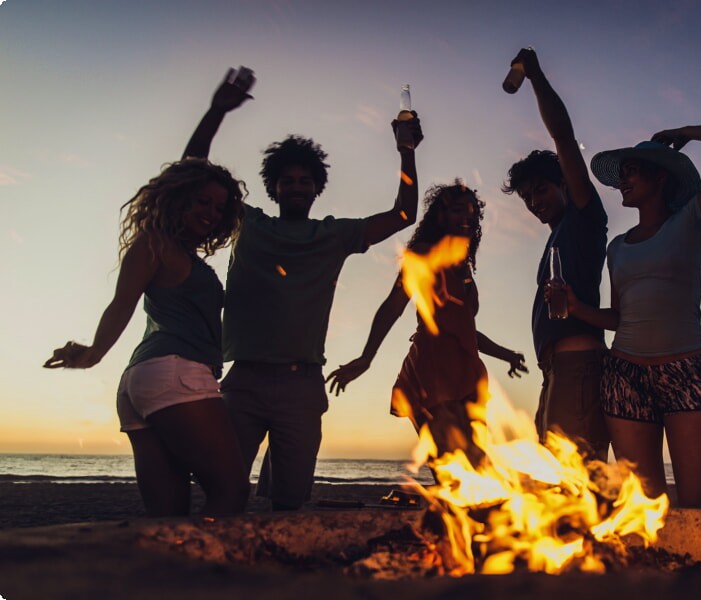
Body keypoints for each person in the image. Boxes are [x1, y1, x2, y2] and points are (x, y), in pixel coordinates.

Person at [182, 73, 423, 510]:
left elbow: (405, 213)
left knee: (290, 503)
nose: (295, 187)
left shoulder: (333, 235)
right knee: (224, 494)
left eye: (304, 181)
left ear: (317, 188)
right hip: (244, 381)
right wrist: (217, 110)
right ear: (273, 187)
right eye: (287, 181)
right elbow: (191, 175)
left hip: (302, 384)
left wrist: (407, 153)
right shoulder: (248, 224)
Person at [44, 159, 249, 516]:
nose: (211, 213)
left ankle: (171, 569)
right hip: (176, 375)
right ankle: (204, 569)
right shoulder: (158, 243)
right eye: (203, 201)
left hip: (141, 384)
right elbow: (122, 303)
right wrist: (94, 353)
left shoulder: (177, 252)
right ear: (179, 197)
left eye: (219, 207)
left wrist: (94, 354)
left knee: (167, 512)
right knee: (230, 491)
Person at [584, 124, 701, 507]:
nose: (623, 180)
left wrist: (686, 132)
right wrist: (576, 309)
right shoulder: (618, 248)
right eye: (622, 172)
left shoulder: (695, 219)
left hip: (689, 372)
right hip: (626, 376)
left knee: (699, 507)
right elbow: (620, 317)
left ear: (660, 176)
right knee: (644, 511)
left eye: (632, 171)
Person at [325, 182, 527, 465]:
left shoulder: (463, 265)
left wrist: (507, 355)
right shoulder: (424, 254)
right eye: (458, 210)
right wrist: (366, 357)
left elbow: (464, 329)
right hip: (433, 375)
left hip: (467, 377)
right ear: (440, 216)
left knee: (479, 471)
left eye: (472, 212)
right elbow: (393, 306)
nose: (467, 217)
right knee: (454, 470)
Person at [501, 48, 610, 460]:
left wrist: (536, 77)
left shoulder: (583, 219)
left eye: (541, 189)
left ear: (564, 184)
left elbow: (563, 137)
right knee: (555, 484)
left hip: (578, 366)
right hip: (556, 372)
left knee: (576, 481)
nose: (533, 201)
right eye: (527, 196)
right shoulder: (555, 237)